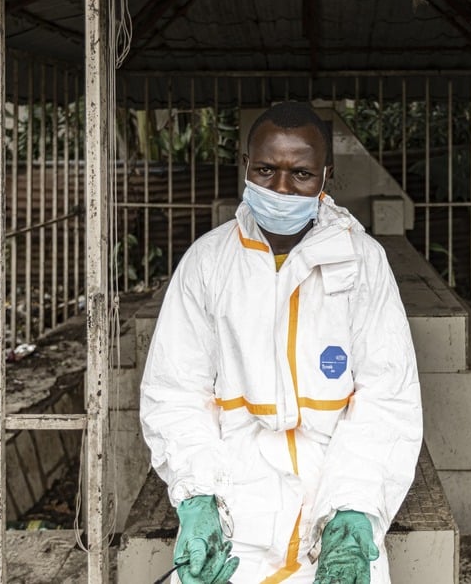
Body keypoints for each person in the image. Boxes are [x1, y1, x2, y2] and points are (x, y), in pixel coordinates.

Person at [140, 101, 422, 584]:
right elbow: (175, 391)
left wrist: (352, 512)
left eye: (301, 174)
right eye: (267, 171)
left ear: (325, 177)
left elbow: (387, 398)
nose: (282, 189)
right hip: (234, 502)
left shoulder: (363, 262)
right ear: (244, 168)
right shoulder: (208, 262)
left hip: (333, 496)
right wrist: (198, 496)